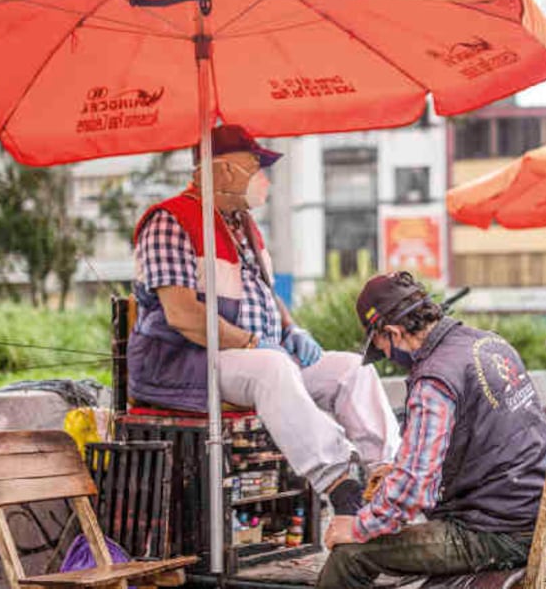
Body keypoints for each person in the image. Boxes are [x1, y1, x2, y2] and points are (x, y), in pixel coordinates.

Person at [128, 124, 400, 518]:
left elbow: (265, 293)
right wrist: (253, 343)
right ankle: (340, 483)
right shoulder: (170, 221)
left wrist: (292, 329)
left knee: (352, 369)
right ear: (223, 170)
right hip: (186, 364)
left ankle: (385, 476)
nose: (264, 180)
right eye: (255, 167)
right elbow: (184, 316)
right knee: (271, 368)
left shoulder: (242, 226)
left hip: (257, 358)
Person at [318, 272, 546, 588]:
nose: (386, 356)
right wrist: (398, 471)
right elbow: (487, 441)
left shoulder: (434, 379)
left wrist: (359, 527)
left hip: (495, 532)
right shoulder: (491, 343)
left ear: (392, 332)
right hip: (536, 516)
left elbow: (414, 489)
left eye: (381, 346)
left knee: (349, 555)